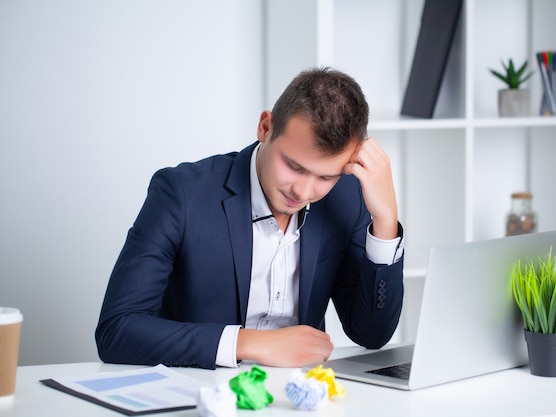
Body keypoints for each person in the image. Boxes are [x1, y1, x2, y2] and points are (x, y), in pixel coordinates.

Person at [95, 67, 404, 370]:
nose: (303, 190)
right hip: (202, 395)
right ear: (265, 127)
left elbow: (371, 334)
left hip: (296, 398)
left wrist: (386, 221)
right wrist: (250, 343)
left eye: (325, 177)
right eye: (294, 166)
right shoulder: (182, 193)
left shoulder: (347, 197)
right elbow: (117, 330)